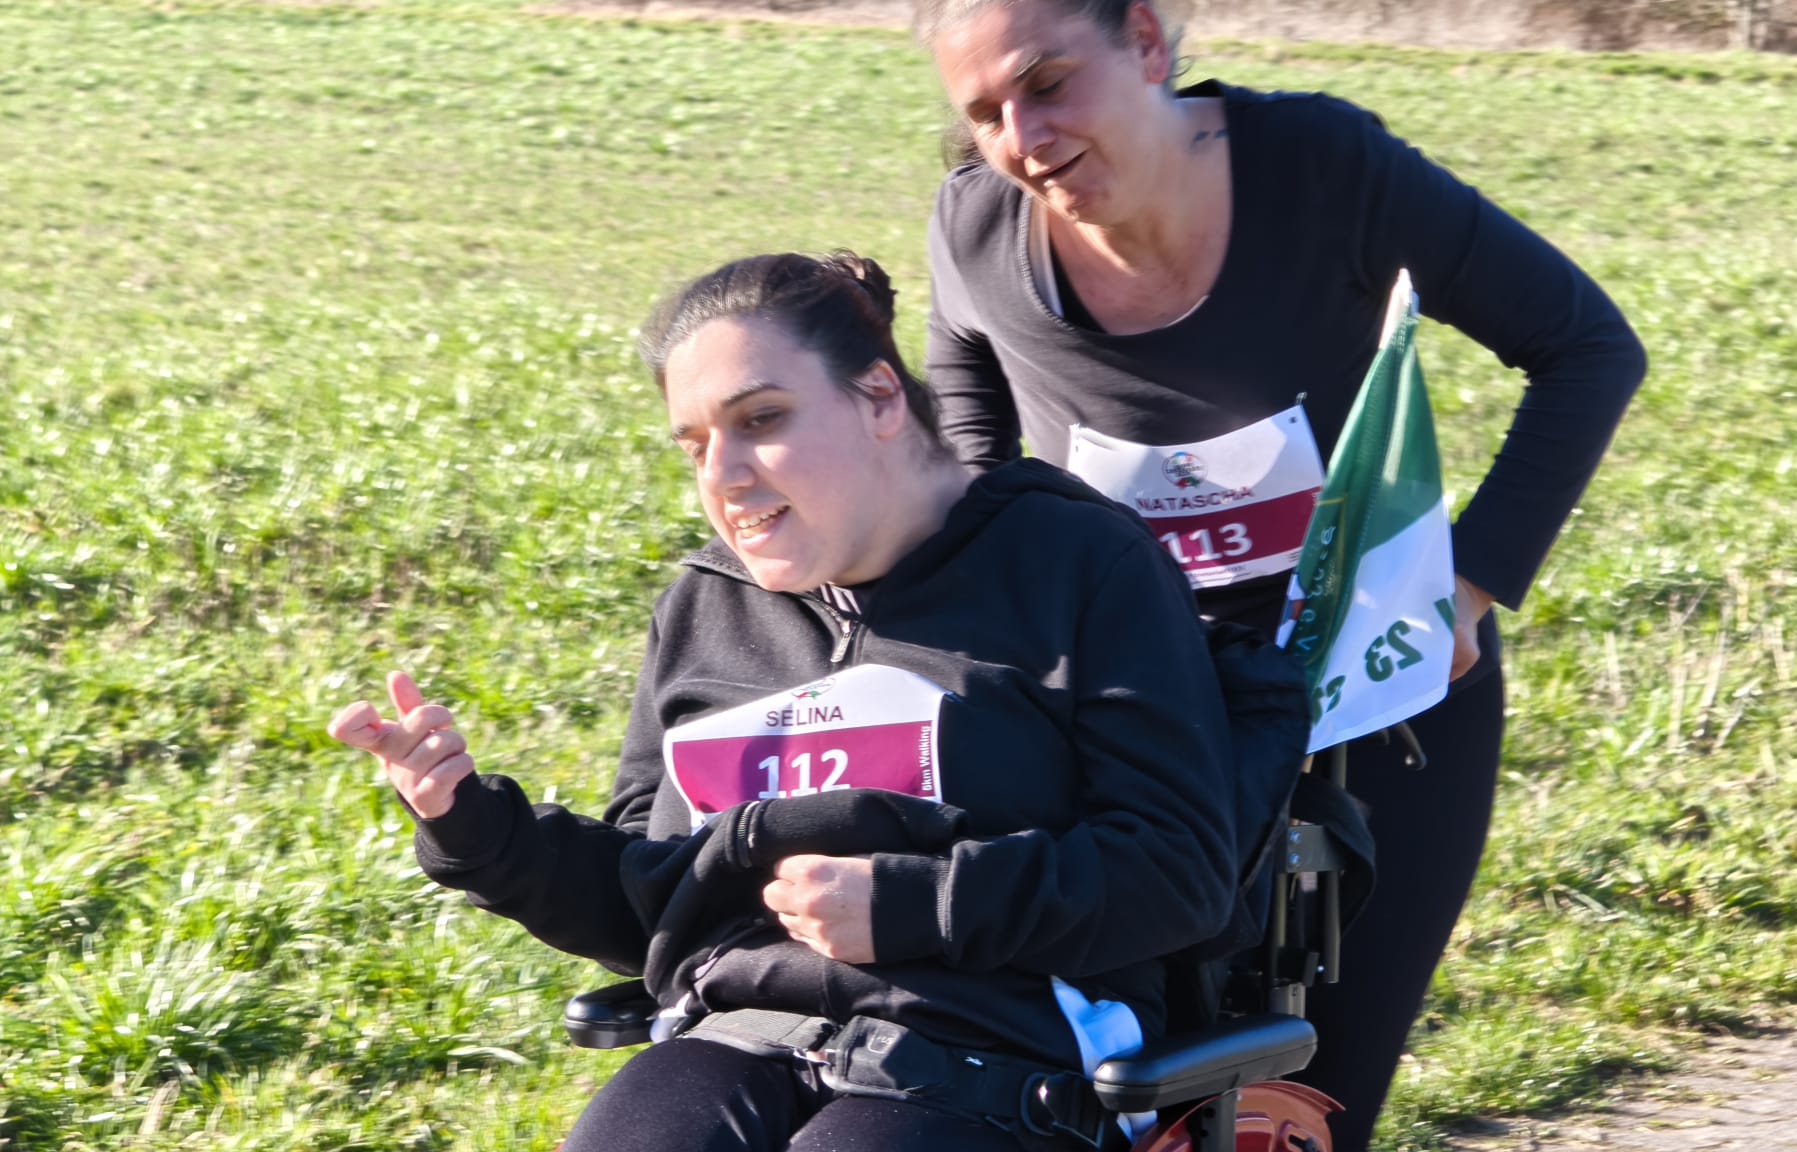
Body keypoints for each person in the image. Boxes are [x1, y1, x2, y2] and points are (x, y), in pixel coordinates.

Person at [327, 251, 1291, 1151]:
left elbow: (1179, 871)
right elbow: (650, 901)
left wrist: (920, 907)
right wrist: (472, 826)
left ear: (878, 396)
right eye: (696, 444)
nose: (723, 477)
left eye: (763, 420)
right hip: (736, 1033)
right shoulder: (709, 604)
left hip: (1002, 1053)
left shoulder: (1080, 565)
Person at [913, 0, 1648, 1143]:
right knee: (1125, 1100)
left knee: (1316, 1106)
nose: (1024, 135)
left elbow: (1585, 346)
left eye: (1048, 82)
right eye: (984, 113)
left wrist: (1465, 588)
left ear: (1146, 44)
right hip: (1131, 721)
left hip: (1380, 696)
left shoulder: (1319, 171)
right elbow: (966, 475)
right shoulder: (973, 234)